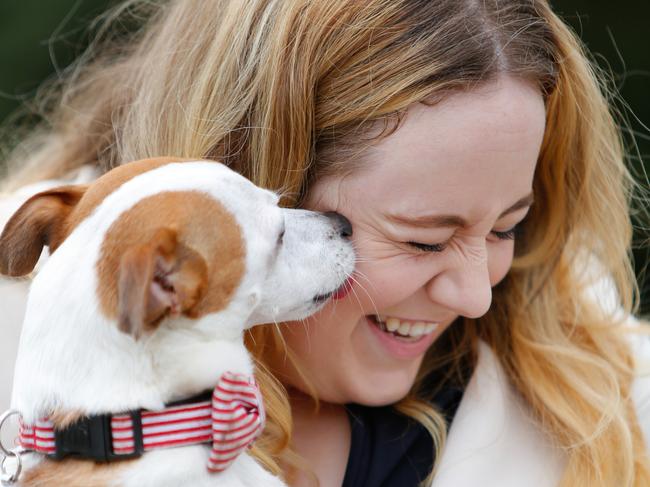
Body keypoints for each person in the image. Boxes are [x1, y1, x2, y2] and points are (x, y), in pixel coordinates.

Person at [1, 1, 649, 486]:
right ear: (247, 170)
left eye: (507, 226)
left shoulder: (611, 410)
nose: (477, 295)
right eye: (423, 240)